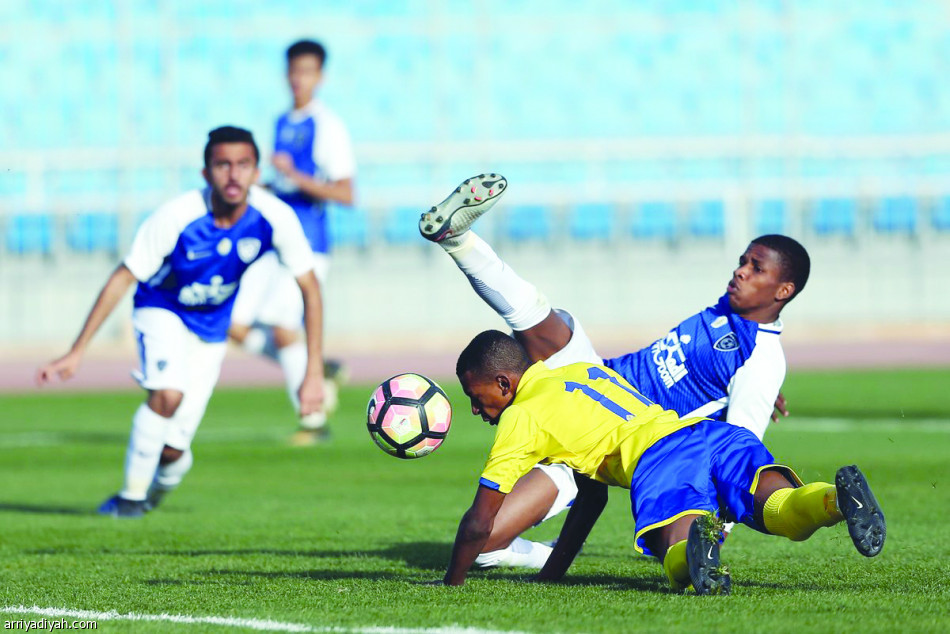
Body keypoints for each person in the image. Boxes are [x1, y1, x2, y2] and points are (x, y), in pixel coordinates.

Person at [418, 174, 810, 569]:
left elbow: (739, 453)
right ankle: (458, 239)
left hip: (609, 444)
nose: (740, 271)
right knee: (537, 318)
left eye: (755, 269)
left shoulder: (762, 360)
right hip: (589, 379)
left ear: (783, 291)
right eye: (743, 262)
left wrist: (708, 537)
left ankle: (549, 557)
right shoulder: (727, 316)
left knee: (483, 547)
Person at [441, 330, 885, 592]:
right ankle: (834, 501)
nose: (476, 409)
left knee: (672, 551)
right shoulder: (578, 371)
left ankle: (697, 551)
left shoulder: (522, 416)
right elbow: (591, 496)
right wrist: (552, 574)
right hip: (708, 434)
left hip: (659, 462)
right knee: (781, 507)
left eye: (474, 396)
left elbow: (480, 523)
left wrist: (451, 584)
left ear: (502, 382)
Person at [36, 126, 325, 518]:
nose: (233, 174)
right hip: (162, 308)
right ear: (206, 173)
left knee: (173, 450)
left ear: (257, 172)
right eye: (222, 165)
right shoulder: (177, 216)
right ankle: (130, 497)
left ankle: (155, 489)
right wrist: (77, 351)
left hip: (211, 328)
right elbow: (124, 276)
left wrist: (313, 372)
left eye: (243, 165)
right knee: (168, 394)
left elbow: (310, 288)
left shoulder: (274, 217)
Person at [229, 39, 356, 446]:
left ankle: (314, 421)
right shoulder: (283, 121)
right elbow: (284, 180)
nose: (299, 79)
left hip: (307, 242)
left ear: (320, 76)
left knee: (285, 328)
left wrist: (295, 177)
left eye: (307, 71)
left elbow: (345, 193)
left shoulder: (327, 125)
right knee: (231, 324)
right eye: (293, 70)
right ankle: (320, 366)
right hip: (272, 240)